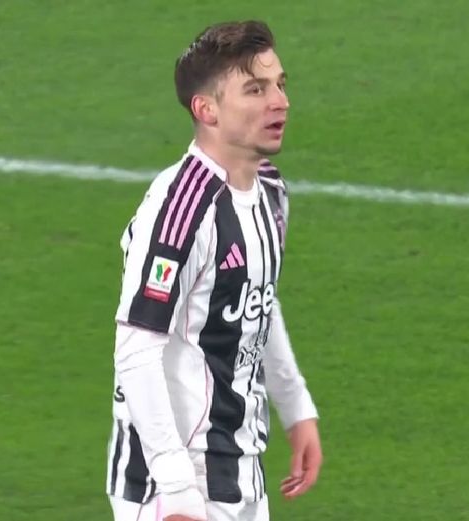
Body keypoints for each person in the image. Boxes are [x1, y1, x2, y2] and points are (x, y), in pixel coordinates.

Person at [106, 20, 322, 521]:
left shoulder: (270, 191)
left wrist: (296, 405)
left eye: (279, 84)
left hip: (240, 468)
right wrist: (176, 487)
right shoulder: (180, 210)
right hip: (172, 483)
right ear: (207, 110)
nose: (280, 102)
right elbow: (136, 350)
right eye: (255, 90)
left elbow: (257, 300)